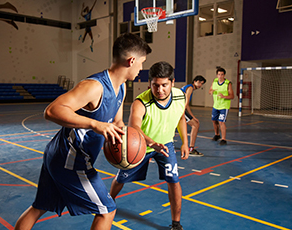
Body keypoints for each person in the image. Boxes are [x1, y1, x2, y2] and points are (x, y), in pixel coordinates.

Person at [14, 33, 152, 230]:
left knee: (39, 207)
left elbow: (118, 121)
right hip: (70, 160)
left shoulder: (120, 87)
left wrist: (135, 145)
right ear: (131, 61)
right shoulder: (94, 87)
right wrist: (94, 124)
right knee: (107, 210)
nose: (141, 68)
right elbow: (52, 110)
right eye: (142, 63)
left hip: (61, 154)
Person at [110, 61, 189, 230]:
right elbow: (134, 127)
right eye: (155, 85)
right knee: (121, 177)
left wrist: (185, 142)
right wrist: (152, 143)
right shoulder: (141, 102)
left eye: (164, 85)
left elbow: (181, 117)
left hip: (166, 145)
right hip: (140, 146)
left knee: (174, 180)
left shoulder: (180, 96)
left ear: (173, 83)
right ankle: (108, 201)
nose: (160, 90)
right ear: (149, 84)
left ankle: (176, 223)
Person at [180, 75, 206, 156]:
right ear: (194, 81)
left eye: (201, 84)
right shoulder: (190, 88)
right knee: (195, 124)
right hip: (179, 108)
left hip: (177, 107)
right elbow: (186, 104)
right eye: (199, 82)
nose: (200, 85)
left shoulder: (188, 87)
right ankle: (191, 148)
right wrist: (193, 117)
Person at [209, 67, 234, 145]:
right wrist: (211, 92)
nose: (220, 76)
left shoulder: (227, 83)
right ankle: (217, 135)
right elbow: (210, 90)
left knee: (221, 122)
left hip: (224, 106)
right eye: (219, 74)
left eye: (222, 74)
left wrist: (224, 96)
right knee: (214, 120)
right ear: (217, 75)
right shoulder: (214, 81)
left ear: (224, 75)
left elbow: (232, 96)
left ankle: (223, 139)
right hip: (216, 105)